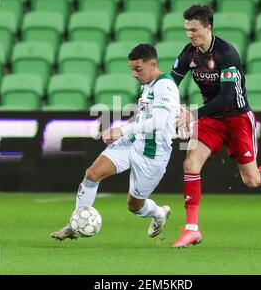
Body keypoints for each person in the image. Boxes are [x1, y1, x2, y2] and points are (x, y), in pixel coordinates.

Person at [170, 4, 261, 248]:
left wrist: (192, 114)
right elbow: (171, 84)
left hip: (237, 118)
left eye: (194, 30)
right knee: (190, 163)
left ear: (208, 27)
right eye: (187, 30)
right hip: (212, 119)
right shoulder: (188, 54)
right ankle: (191, 228)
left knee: (252, 180)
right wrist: (168, 103)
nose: (190, 35)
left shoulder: (226, 54)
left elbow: (226, 98)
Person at [51, 44, 181, 240]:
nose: (134, 74)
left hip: (152, 155)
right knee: (92, 174)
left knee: (134, 205)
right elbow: (145, 117)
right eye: (132, 70)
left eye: (138, 69)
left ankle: (158, 213)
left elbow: (159, 121)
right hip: (132, 142)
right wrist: (123, 130)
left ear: (153, 64)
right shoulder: (147, 85)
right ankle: (75, 224)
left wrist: (123, 129)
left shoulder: (165, 85)